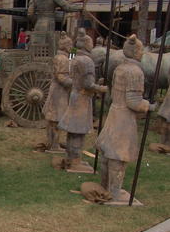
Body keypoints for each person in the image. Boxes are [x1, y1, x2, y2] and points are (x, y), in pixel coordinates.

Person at [94, 35, 155, 201]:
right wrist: (148, 106)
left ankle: (105, 185)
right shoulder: (135, 72)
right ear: (135, 52)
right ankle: (114, 192)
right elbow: (133, 102)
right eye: (141, 50)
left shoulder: (120, 68)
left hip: (114, 112)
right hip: (124, 118)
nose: (142, 53)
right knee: (118, 156)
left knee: (108, 153)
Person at [58, 28, 107, 173]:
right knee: (78, 131)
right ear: (86, 44)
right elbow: (88, 84)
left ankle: (71, 158)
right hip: (82, 99)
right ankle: (75, 162)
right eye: (90, 43)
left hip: (74, 95)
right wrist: (101, 88)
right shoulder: (87, 61)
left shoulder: (74, 58)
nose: (92, 45)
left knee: (73, 131)